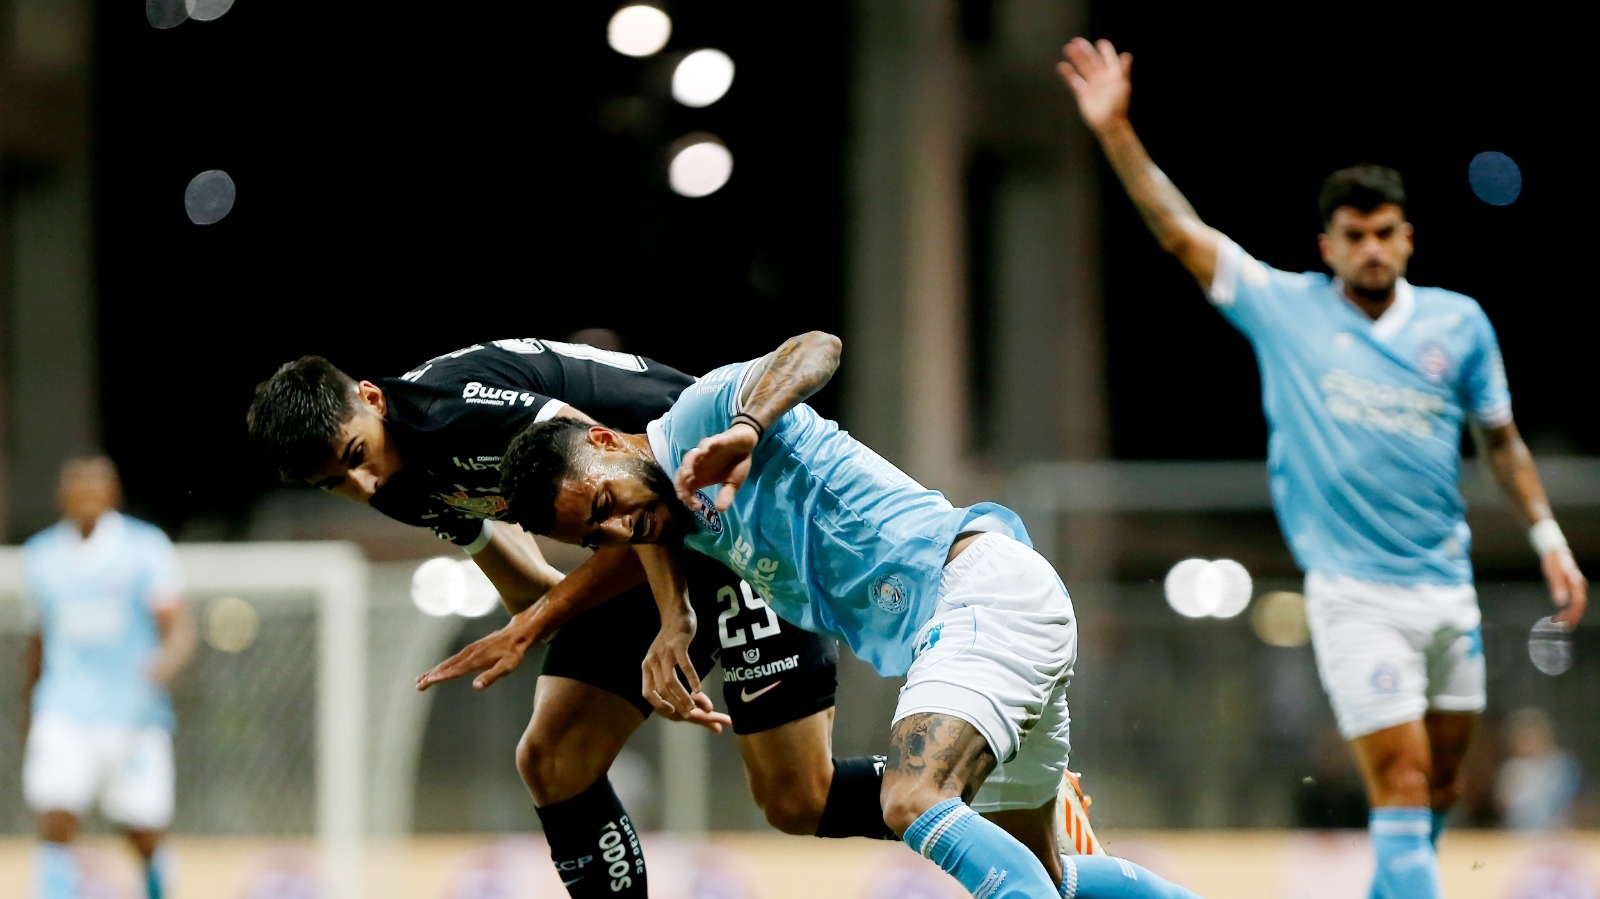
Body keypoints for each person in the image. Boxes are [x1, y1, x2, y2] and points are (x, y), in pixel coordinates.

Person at [1055, 36, 1589, 899]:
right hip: (1352, 593)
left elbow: (1504, 442)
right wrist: (1116, 129)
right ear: (1328, 244)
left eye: (1385, 233)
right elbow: (1179, 231)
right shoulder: (1287, 307)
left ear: (1408, 238)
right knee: (1404, 782)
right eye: (1354, 235)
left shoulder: (1459, 327)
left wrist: (1550, 539)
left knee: (1441, 787)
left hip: (1446, 586)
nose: (1371, 247)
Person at [457, 331, 1207, 899]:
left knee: (912, 798)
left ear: (604, 440)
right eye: (594, 537)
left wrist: (748, 425)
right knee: (1052, 877)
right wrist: (671, 616)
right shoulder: (669, 510)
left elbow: (817, 346)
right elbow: (646, 528)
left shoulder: (698, 419)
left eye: (606, 508)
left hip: (977, 592)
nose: (618, 531)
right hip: (976, 620)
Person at [246, 337, 915, 899]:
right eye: (335, 483)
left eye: (355, 458)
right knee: (552, 755)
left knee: (799, 795)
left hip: (720, 507)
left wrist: (671, 614)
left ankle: (949, 783)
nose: (361, 486)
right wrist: (531, 629)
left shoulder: (452, 412)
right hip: (638, 531)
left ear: (370, 397)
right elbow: (536, 589)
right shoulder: (393, 480)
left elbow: (621, 474)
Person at [20, 454, 197, 899]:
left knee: (142, 828)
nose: (87, 495)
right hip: (64, 709)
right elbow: (39, 637)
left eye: (97, 486)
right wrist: (30, 702)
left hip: (133, 713)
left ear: (113, 493)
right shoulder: (42, 554)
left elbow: (177, 629)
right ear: (62, 495)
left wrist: (163, 665)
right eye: (78, 486)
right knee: (56, 814)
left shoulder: (144, 548)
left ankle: (158, 889)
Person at [1494, 705, 1582, 831]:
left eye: (1532, 735)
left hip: (1557, 833)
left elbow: (1577, 802)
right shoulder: (1512, 768)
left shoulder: (1562, 765)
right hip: (1519, 833)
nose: (1527, 741)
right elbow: (1502, 802)